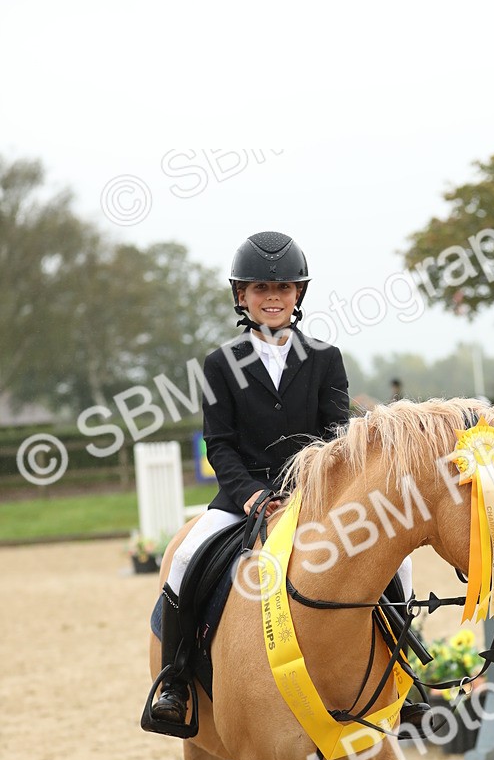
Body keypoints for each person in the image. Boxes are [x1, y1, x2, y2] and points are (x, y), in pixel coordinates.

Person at [150, 230, 428, 732]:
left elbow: (339, 437)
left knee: (399, 562)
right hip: (243, 497)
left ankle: (403, 677)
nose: (272, 297)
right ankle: (176, 676)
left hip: (316, 497)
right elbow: (220, 444)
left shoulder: (325, 358)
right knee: (186, 557)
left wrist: (310, 494)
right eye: (260, 288)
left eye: (283, 287)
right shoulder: (220, 365)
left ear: (299, 294)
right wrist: (254, 496)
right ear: (242, 296)